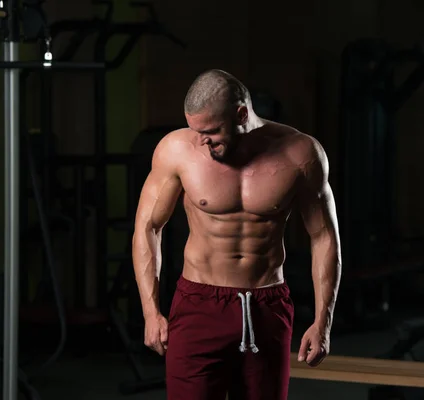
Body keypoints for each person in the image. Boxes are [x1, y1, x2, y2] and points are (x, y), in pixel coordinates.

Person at [133, 69, 342, 400]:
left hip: (266, 304)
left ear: (242, 114)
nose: (203, 140)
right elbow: (148, 227)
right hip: (198, 304)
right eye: (196, 130)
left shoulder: (300, 154)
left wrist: (322, 321)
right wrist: (150, 311)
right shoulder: (176, 150)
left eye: (212, 131)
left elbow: (324, 237)